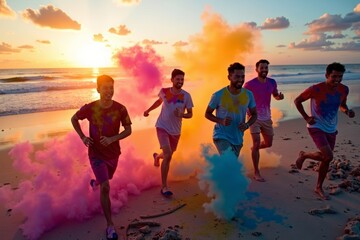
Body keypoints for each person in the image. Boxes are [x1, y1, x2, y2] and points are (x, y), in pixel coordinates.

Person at [71, 75, 132, 240]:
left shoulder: (121, 109)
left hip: (113, 154)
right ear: (98, 89)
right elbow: (74, 119)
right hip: (96, 154)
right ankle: (110, 225)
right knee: (106, 187)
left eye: (111, 88)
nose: (109, 91)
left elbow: (128, 130)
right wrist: (83, 137)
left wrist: (112, 139)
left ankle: (95, 182)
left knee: (107, 179)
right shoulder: (90, 108)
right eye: (105, 88)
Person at [294, 62, 355, 200]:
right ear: (326, 75)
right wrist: (306, 118)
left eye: (340, 77)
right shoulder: (315, 89)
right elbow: (297, 100)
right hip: (316, 126)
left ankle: (307, 161)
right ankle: (317, 184)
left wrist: (347, 111)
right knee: (328, 156)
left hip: (331, 128)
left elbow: (342, 105)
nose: (337, 80)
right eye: (334, 76)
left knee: (325, 159)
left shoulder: (344, 89)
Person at [143, 69, 193, 197]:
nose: (180, 81)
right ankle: (164, 187)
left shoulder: (186, 96)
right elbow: (158, 102)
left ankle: (157, 157)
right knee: (169, 154)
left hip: (176, 131)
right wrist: (148, 110)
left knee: (168, 154)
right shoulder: (164, 91)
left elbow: (190, 114)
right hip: (162, 127)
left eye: (182, 79)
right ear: (172, 79)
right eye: (178, 79)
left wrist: (182, 114)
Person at [205, 62, 257, 158]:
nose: (240, 80)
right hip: (221, 136)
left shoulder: (248, 94)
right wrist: (221, 121)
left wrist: (247, 125)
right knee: (229, 160)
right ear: (229, 77)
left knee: (230, 165)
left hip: (238, 138)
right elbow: (207, 113)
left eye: (242, 77)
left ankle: (214, 171)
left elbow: (254, 114)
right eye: (237, 77)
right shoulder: (218, 95)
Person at [243, 59, 284, 182]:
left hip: (266, 117)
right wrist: (248, 116)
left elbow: (275, 95)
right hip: (253, 117)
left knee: (268, 143)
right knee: (256, 143)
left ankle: (254, 149)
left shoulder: (272, 82)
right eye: (262, 68)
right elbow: (244, 101)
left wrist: (279, 97)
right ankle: (256, 172)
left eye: (266, 68)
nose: (264, 70)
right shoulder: (249, 85)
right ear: (256, 69)